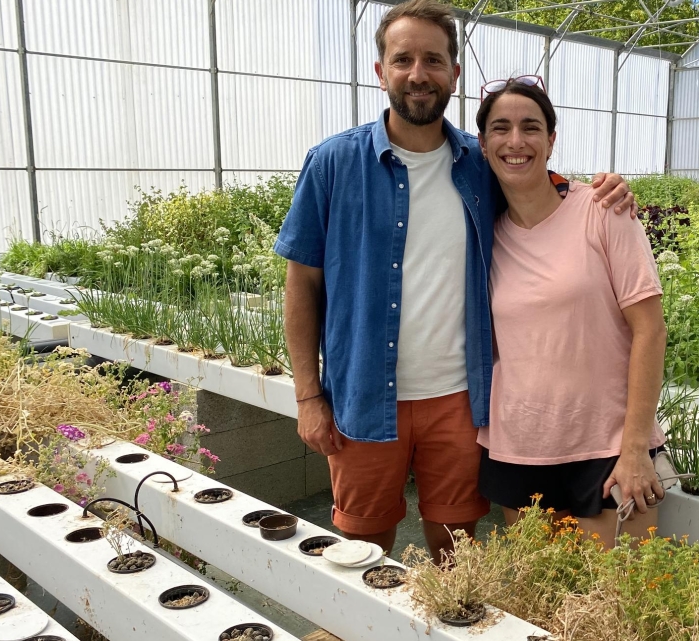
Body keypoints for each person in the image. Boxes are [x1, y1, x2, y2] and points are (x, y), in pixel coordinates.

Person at [273, 0, 635, 564]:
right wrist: (308, 394)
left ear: (453, 74)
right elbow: (302, 286)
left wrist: (604, 186)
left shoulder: (479, 163)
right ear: (381, 71)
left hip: (461, 402)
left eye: (433, 60)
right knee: (364, 548)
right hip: (364, 397)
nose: (418, 74)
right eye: (403, 60)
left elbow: (539, 182)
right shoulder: (333, 164)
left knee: (456, 548)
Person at [474, 77, 668, 547]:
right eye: (500, 129)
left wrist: (635, 447)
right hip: (518, 444)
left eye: (530, 127)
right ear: (482, 144)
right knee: (540, 603)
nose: (515, 141)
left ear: (551, 139)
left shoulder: (602, 210)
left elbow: (650, 330)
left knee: (617, 602)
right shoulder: (484, 233)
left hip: (605, 445)